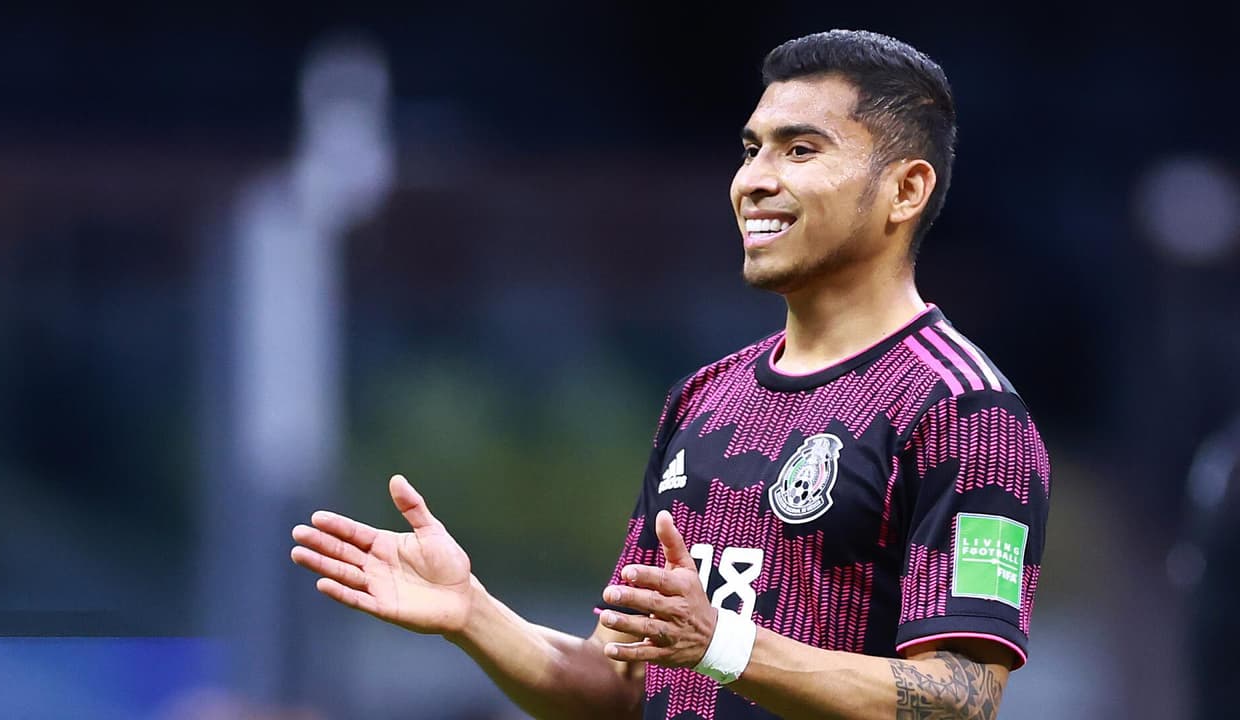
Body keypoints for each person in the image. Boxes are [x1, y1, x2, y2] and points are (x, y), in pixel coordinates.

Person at [291, 29, 1050, 720]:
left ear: (906, 190)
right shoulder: (705, 398)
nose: (754, 180)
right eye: (751, 150)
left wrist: (724, 644)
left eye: (800, 151)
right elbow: (619, 684)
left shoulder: (965, 410)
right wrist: (472, 614)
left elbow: (960, 700)